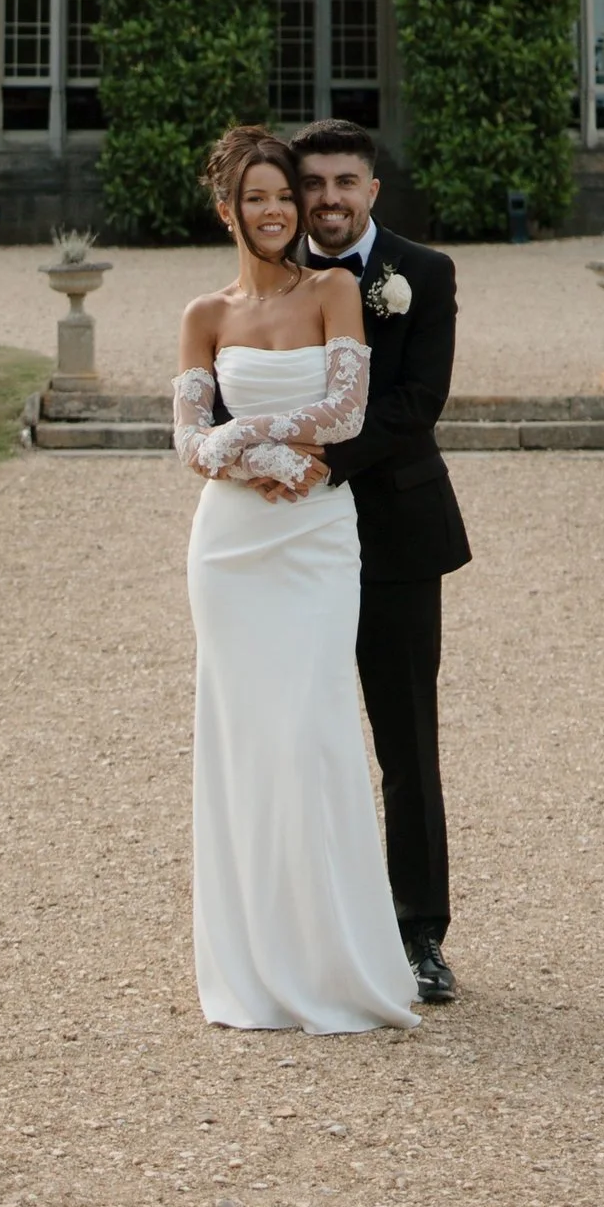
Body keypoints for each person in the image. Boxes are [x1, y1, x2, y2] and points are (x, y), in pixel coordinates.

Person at [172, 125, 419, 1034]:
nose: (277, 211)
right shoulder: (204, 315)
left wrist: (247, 435)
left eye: (285, 196)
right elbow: (190, 442)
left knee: (312, 732)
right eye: (258, 198)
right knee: (243, 743)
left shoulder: (333, 291)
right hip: (232, 546)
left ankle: (335, 960)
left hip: (315, 536)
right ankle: (251, 965)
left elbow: (347, 412)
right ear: (227, 210)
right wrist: (261, 452)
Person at [293, 120, 469, 1006]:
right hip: (289, 543)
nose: (328, 199)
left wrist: (319, 461)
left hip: (394, 532)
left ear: (372, 191)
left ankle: (418, 934)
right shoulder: (270, 275)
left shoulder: (422, 274)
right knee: (295, 737)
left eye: (344, 182)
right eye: (313, 183)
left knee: (406, 742)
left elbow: (417, 402)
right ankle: (308, 928)